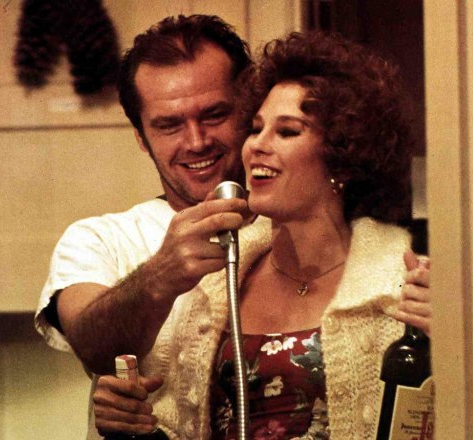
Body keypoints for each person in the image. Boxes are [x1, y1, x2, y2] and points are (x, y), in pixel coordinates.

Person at [93, 31, 432, 439]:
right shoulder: (216, 287)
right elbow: (179, 423)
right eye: (255, 128)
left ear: (343, 155)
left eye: (286, 132)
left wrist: (451, 342)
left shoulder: (401, 282)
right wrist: (130, 417)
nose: (256, 146)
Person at [34, 14, 257, 440]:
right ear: (140, 136)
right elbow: (93, 347)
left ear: (248, 112)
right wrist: (162, 273)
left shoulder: (296, 225)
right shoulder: (99, 238)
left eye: (214, 114)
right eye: (169, 124)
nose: (197, 141)